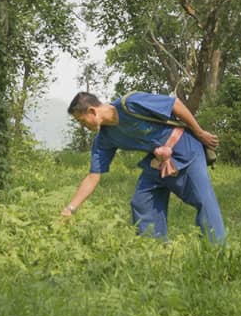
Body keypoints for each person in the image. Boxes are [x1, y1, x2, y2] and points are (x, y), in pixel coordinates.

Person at [60, 91, 225, 244]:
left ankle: (216, 250)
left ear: (92, 111)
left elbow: (175, 104)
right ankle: (154, 250)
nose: (83, 126)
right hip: (156, 160)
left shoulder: (130, 103)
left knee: (203, 200)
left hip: (185, 149)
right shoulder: (104, 139)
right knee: (142, 201)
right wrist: (70, 208)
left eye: (82, 121)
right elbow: (93, 176)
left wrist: (200, 133)